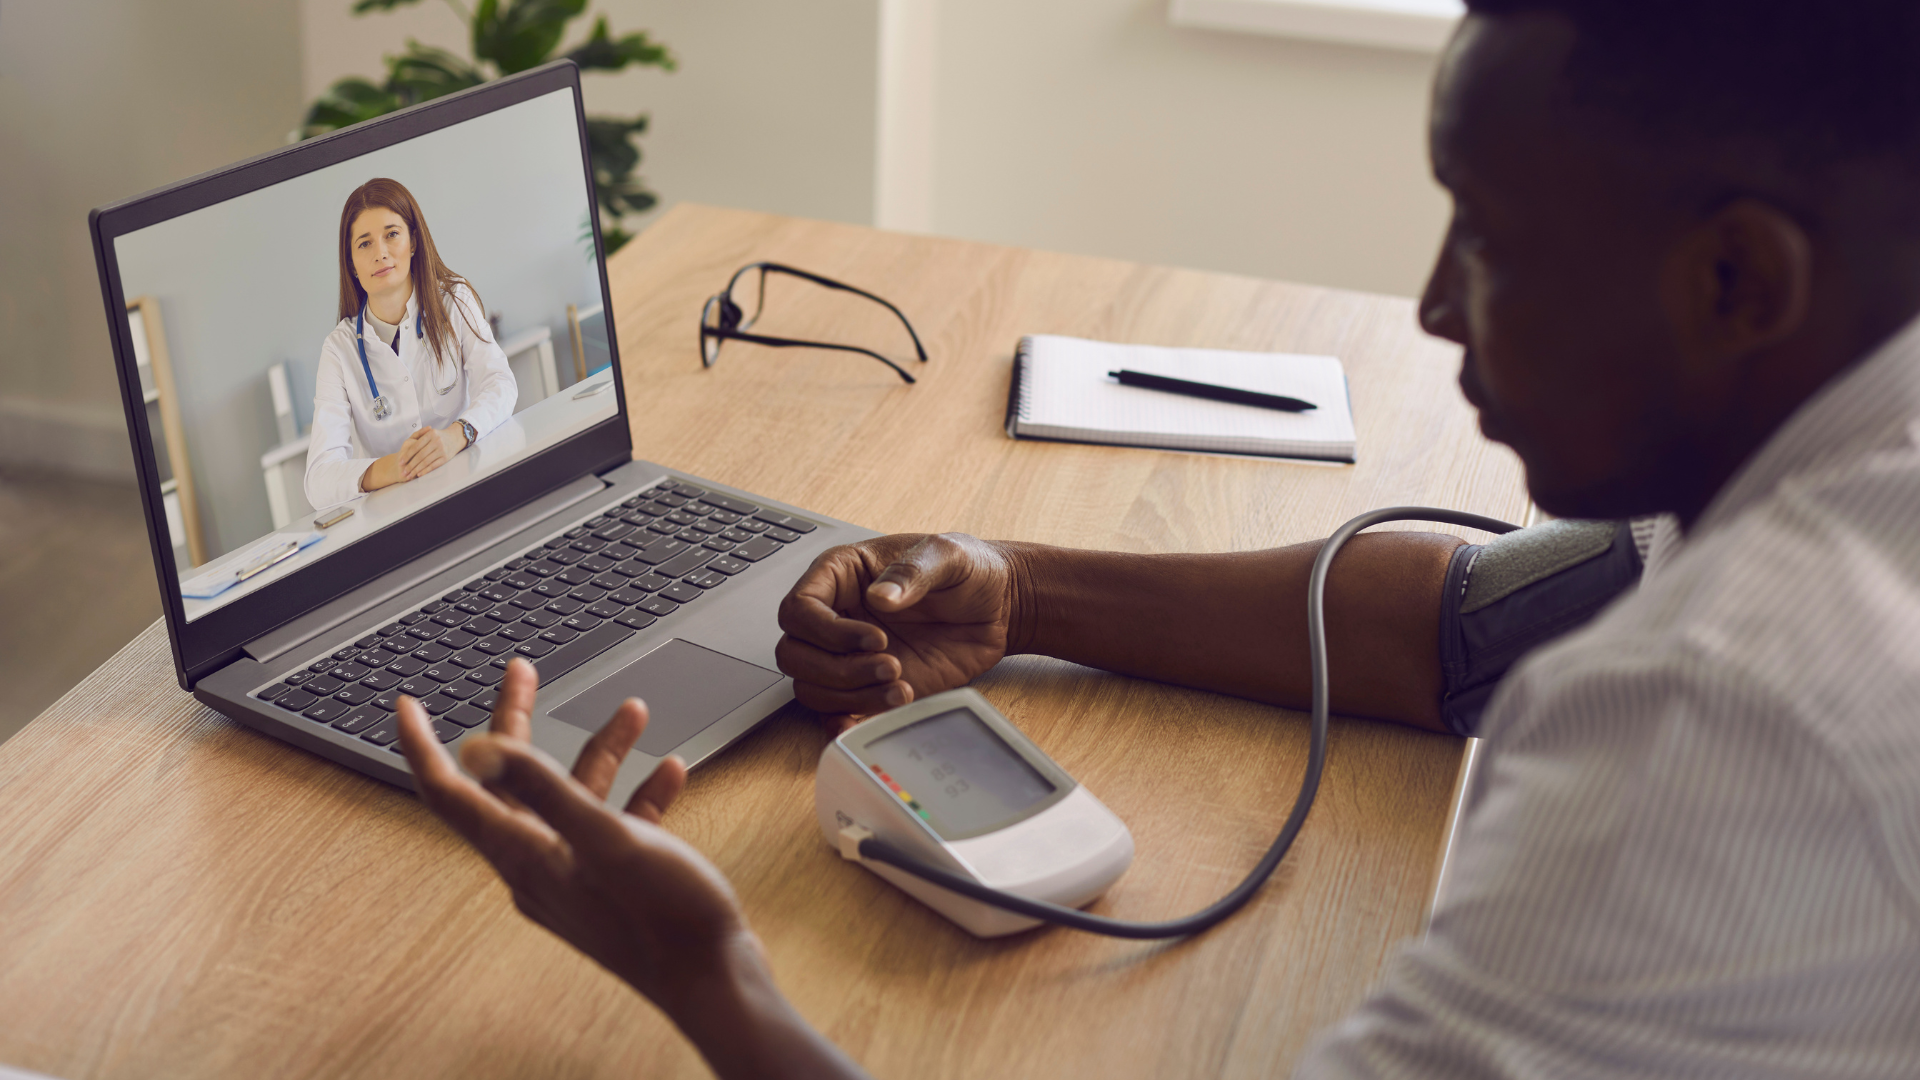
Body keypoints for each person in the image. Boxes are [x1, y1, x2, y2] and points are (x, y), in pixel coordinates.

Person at [395, 1, 1920, 1075]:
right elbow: (1459, 626)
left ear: (1738, 282)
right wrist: (1029, 585)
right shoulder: (1842, 420)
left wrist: (713, 985)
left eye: (1495, 241)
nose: (1439, 305)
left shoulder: (1737, 704)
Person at [304, 177, 517, 509]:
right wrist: (395, 467)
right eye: (364, 244)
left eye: (391, 234)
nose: (381, 253)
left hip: (474, 486)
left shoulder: (454, 299)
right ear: (351, 264)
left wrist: (456, 436)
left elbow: (501, 384)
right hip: (399, 513)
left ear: (413, 241)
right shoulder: (339, 350)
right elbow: (318, 479)